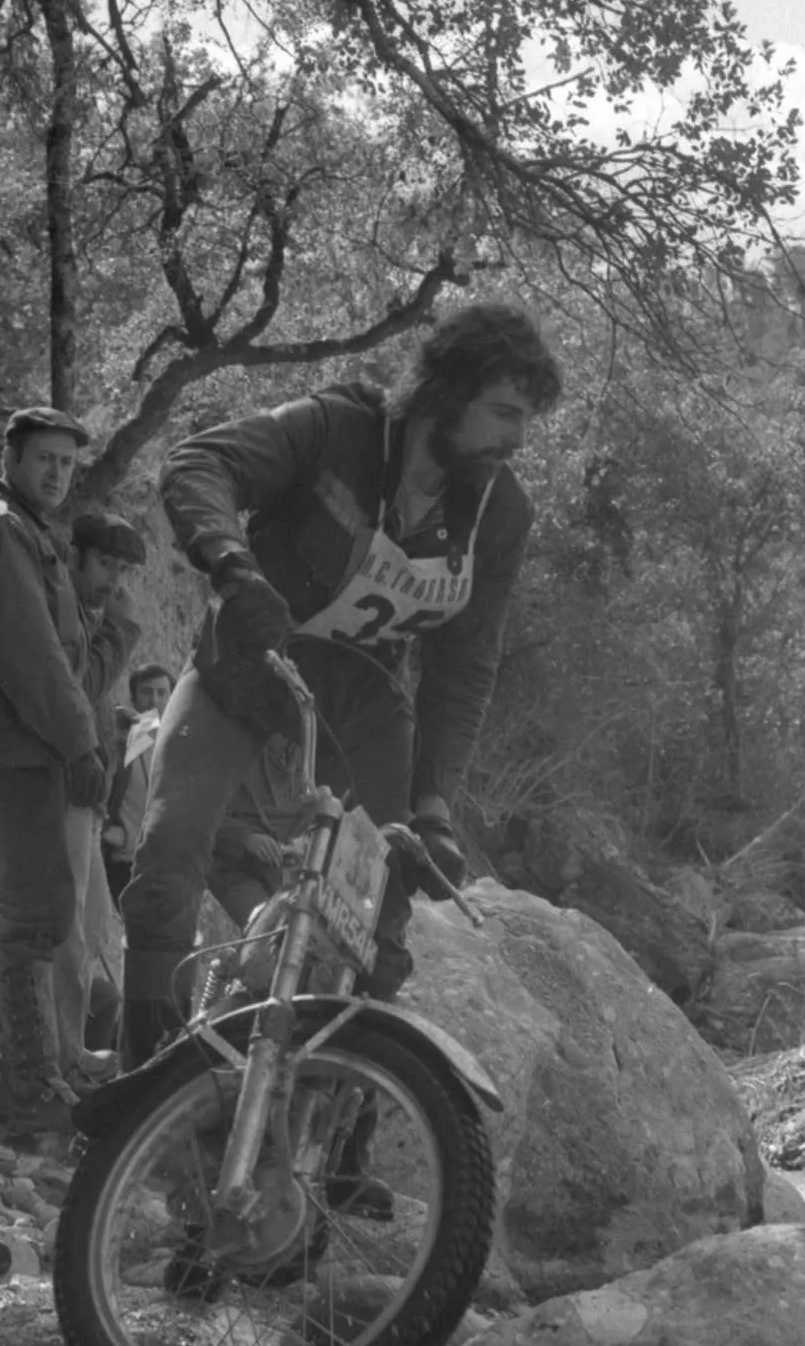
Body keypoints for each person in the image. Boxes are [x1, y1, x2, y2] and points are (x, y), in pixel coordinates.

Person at [118, 300, 563, 1072]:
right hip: (244, 672)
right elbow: (199, 464)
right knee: (168, 854)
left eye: (525, 419)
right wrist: (233, 566)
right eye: (503, 413)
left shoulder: (500, 513)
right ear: (444, 394)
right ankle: (139, 1081)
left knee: (377, 920)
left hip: (360, 710)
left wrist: (432, 806)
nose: (517, 439)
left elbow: (463, 668)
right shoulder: (336, 429)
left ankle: (331, 1111)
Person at [0, 409, 137, 1138]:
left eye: (67, 463)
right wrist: (80, 747)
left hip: (25, 744)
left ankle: (35, 1080)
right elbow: (33, 660)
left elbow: (65, 663)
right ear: (10, 457)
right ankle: (28, 1089)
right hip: (11, 746)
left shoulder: (27, 530)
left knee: (37, 911)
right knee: (29, 915)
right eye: (45, 458)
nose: (57, 473)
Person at [58, 511, 147, 1079]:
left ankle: (70, 1048)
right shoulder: (67, 611)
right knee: (68, 929)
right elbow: (78, 684)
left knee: (88, 930)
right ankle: (62, 1055)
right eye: (105, 564)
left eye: (122, 570)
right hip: (65, 790)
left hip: (87, 796)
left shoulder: (87, 615)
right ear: (76, 557)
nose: (114, 581)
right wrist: (123, 629)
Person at [102, 662, 175, 904]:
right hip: (128, 862)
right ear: (134, 697)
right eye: (146, 692)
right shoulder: (131, 739)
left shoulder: (182, 743)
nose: (154, 700)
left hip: (172, 863)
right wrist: (114, 835)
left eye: (162, 693)